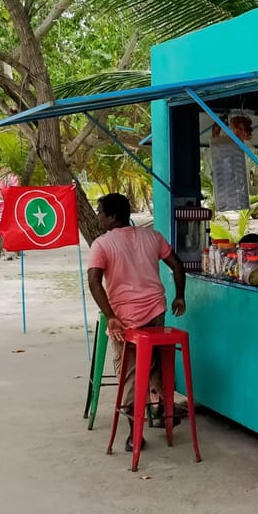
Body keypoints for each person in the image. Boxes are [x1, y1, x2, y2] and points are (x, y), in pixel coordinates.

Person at [87, 193, 188, 452]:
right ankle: (161, 411)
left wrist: (110, 316)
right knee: (155, 363)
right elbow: (177, 266)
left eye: (100, 213)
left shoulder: (102, 244)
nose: (97, 217)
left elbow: (94, 282)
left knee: (130, 374)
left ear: (112, 217)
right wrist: (179, 296)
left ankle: (135, 435)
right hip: (156, 312)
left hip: (127, 321)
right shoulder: (152, 236)